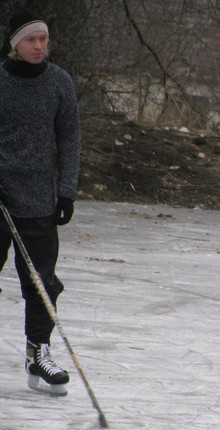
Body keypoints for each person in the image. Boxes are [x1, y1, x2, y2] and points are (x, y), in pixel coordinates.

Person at [0, 10, 81, 396]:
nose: (38, 46)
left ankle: (38, 353)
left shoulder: (59, 83)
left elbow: (69, 139)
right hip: (0, 198)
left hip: (38, 201)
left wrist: (66, 190)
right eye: (30, 40)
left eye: (43, 40)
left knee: (42, 281)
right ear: (15, 44)